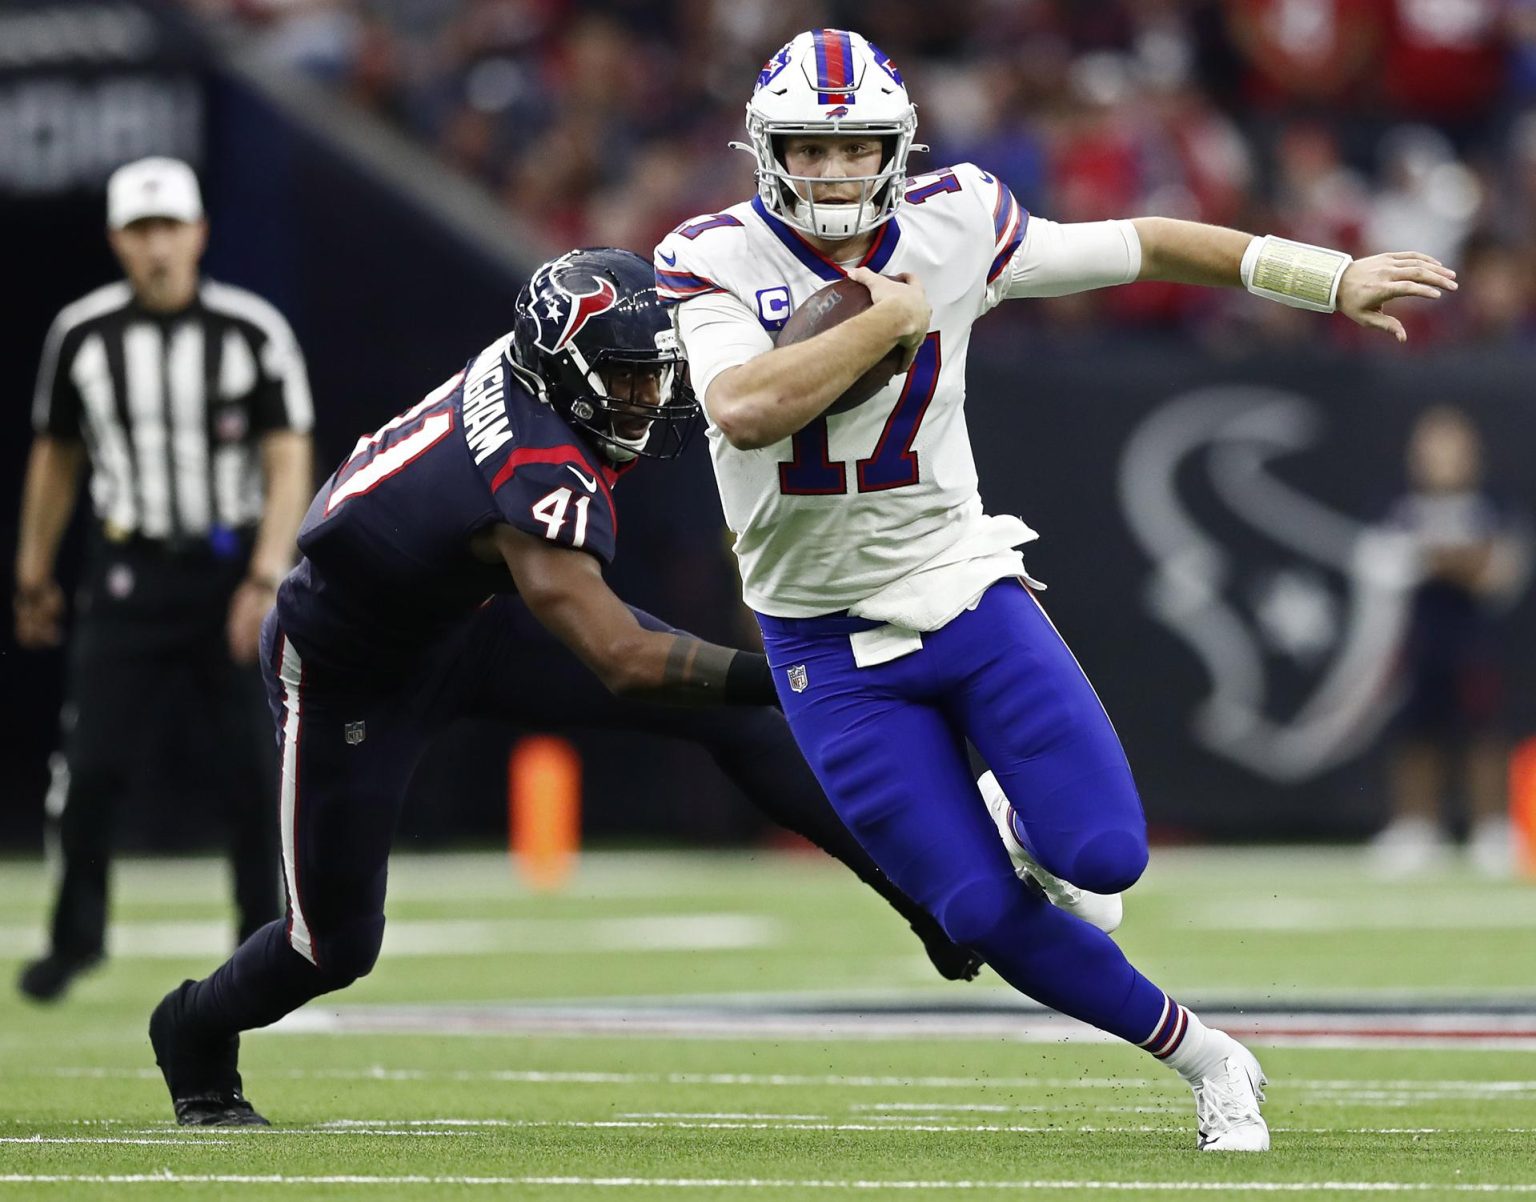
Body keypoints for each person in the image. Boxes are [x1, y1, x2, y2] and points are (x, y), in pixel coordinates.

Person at [655, 28, 1457, 1152]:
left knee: (1104, 856)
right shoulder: (710, 255)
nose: (833, 173)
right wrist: (884, 319)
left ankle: (1012, 810)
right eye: (809, 148)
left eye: (854, 149)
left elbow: (1147, 244)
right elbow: (742, 407)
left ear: (895, 148)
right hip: (822, 637)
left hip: (960, 579)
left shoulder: (960, 217)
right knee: (976, 911)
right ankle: (1210, 1058)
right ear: (765, 150)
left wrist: (1324, 276)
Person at [147, 247, 977, 1127]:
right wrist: (802, 670)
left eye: (650, 374)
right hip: (353, 667)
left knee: (732, 723)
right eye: (623, 379)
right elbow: (622, 657)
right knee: (330, 948)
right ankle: (191, 1029)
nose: (646, 398)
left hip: (467, 615)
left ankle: (931, 902)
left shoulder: (544, 377)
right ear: (565, 370)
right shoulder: (530, 466)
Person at [15, 157, 314, 1003]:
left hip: (228, 572)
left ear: (199, 233)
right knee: (92, 764)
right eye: (140, 231)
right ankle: (76, 940)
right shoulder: (81, 334)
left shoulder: (251, 331)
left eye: (169, 228)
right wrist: (34, 568)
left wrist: (265, 573)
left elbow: (288, 453)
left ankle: (265, 941)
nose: (157, 247)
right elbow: (56, 454)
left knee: (253, 772)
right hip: (128, 573)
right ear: (117, 239)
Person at [1371, 406, 1527, 876]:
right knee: (1415, 734)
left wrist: (1437, 559)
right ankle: (1417, 826)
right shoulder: (1399, 505)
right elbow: (1382, 566)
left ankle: (1491, 827)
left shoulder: (1491, 505)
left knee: (1482, 731)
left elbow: (1500, 573)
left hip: (1472, 639)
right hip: (1416, 638)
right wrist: (1456, 560)